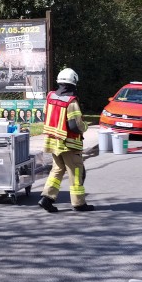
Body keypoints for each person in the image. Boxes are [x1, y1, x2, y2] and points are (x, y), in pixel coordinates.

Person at [38, 67, 93, 212]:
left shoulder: (50, 97)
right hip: (69, 145)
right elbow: (75, 126)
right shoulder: (71, 101)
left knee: (57, 170)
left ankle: (46, 199)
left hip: (54, 142)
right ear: (73, 83)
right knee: (76, 172)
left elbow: (45, 116)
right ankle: (79, 203)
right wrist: (85, 126)